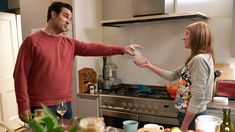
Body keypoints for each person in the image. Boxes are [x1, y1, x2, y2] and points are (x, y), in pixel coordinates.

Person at [13, 1, 140, 122]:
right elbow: (20, 75)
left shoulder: (70, 43)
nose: (68, 21)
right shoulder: (32, 41)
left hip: (65, 105)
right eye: (66, 16)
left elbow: (94, 48)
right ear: (53, 14)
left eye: (70, 19)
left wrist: (122, 49)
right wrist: (23, 105)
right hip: (41, 107)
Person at [133, 21, 215, 131]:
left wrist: (184, 126)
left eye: (187, 34)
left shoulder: (199, 60)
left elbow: (197, 97)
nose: (183, 37)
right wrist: (148, 65)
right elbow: (172, 76)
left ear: (196, 37)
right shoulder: (199, 58)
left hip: (191, 117)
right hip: (191, 115)